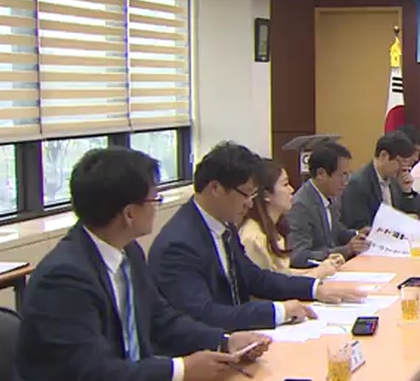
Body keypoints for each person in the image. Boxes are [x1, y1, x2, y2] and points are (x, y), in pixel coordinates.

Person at [1, 146, 270, 381]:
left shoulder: (128, 254)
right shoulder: (65, 277)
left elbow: (162, 321)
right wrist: (182, 369)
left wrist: (225, 341)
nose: (157, 207)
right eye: (154, 199)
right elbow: (94, 374)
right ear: (129, 213)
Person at [150, 141, 365, 332]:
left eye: (253, 194)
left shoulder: (224, 225)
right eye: (246, 194)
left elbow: (254, 277)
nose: (250, 203)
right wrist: (278, 311)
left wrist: (315, 289)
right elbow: (203, 314)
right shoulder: (180, 244)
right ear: (215, 188)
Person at [240, 159, 346, 278]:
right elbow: (268, 285)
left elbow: (283, 274)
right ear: (266, 195)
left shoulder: (273, 229)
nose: (291, 190)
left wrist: (321, 266)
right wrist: (317, 273)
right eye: (285, 184)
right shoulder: (254, 238)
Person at [286, 141, 369, 268]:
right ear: (321, 174)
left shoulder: (330, 196)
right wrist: (346, 250)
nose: (346, 182)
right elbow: (299, 256)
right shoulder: (301, 206)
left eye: (348, 174)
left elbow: (337, 232)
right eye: (342, 175)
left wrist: (359, 234)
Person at [340, 131, 420, 230]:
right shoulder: (358, 184)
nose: (402, 168)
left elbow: (419, 208)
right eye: (399, 162)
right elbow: (360, 226)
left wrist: (407, 192)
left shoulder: (393, 179)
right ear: (383, 156)